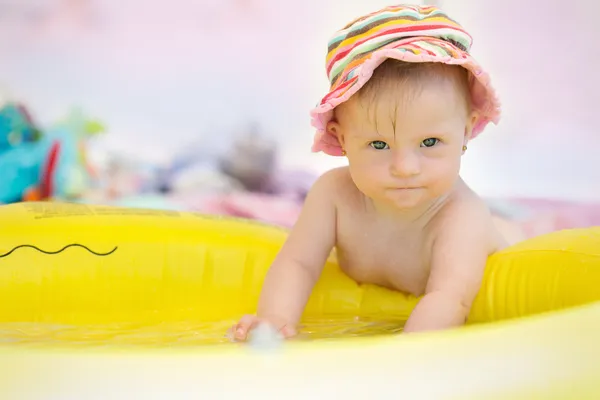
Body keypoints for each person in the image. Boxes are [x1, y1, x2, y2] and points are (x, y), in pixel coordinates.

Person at [231, 4, 506, 340]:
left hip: (496, 259)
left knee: (510, 234)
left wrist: (396, 362)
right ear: (340, 138)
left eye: (430, 142)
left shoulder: (461, 216)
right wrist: (275, 320)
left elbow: (450, 299)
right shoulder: (333, 195)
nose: (405, 168)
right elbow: (297, 263)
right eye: (379, 145)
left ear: (467, 130)